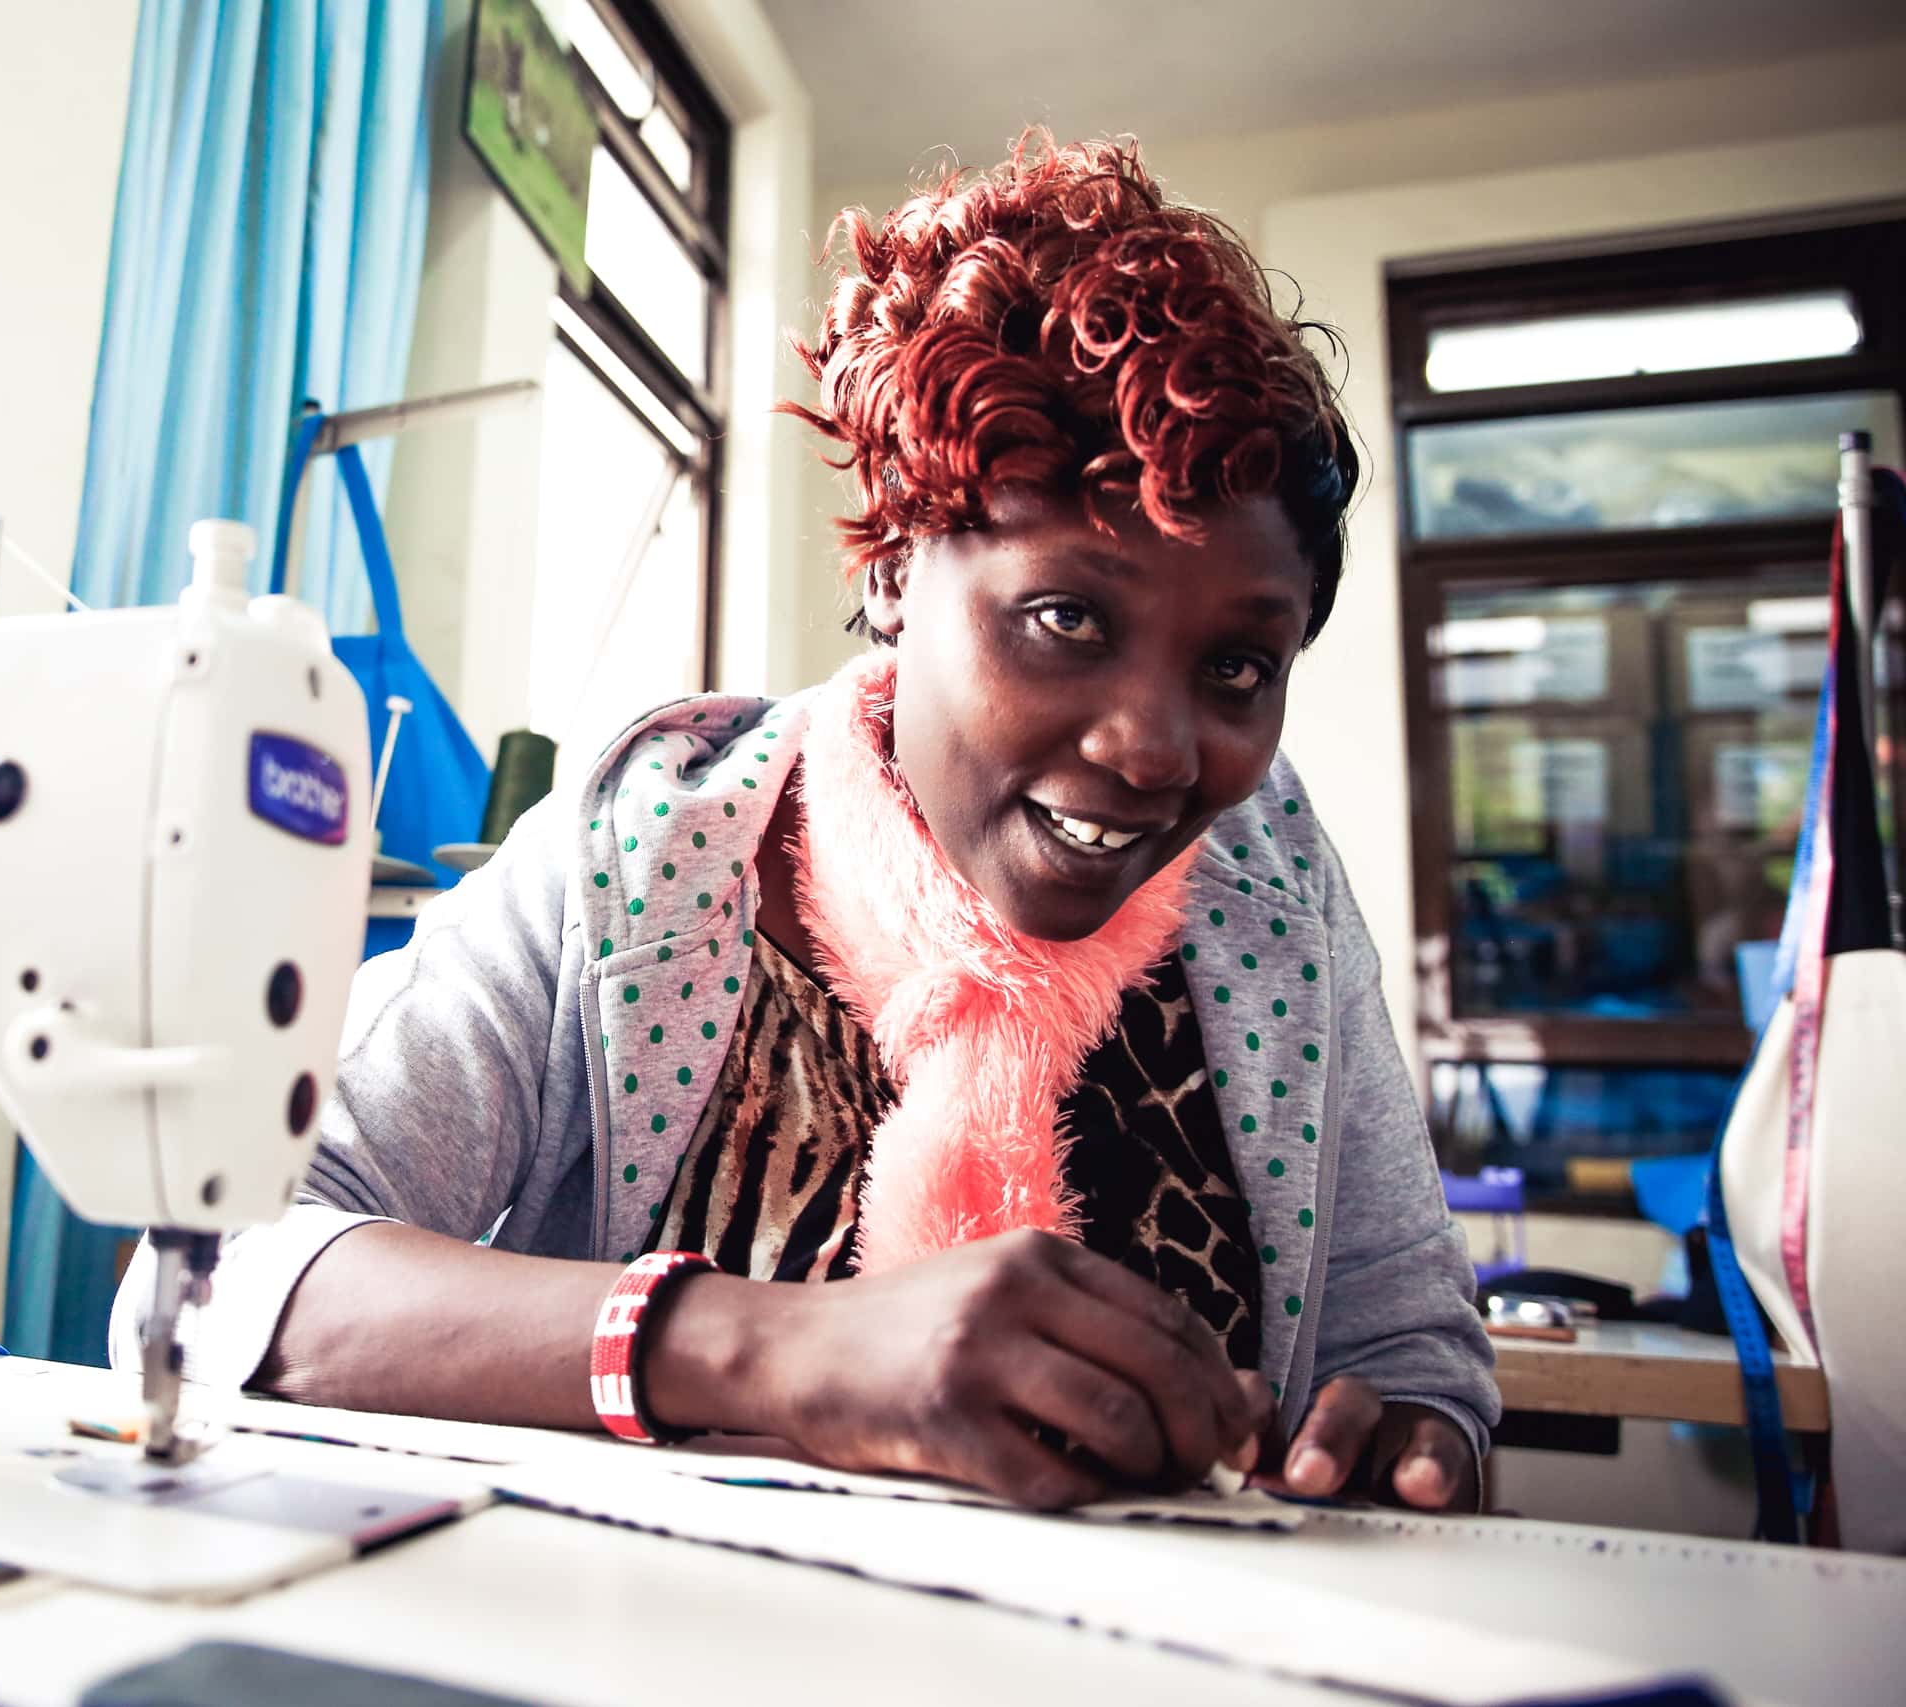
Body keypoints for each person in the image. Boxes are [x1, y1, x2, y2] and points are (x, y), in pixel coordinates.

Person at [115, 132, 1498, 1511]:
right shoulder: (646, 850)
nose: (1154, 747)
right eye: (1067, 617)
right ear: (898, 567)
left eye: (1237, 668)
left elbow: (1408, 1348)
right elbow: (212, 1270)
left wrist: (1414, 1433)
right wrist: (770, 1349)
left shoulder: (1270, 899)